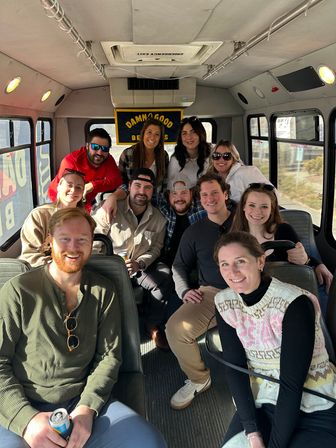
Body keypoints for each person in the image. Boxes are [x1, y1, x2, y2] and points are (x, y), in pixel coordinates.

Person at [0, 208, 167, 448]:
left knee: (150, 443)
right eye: (64, 239)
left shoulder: (103, 291)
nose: (73, 247)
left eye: (82, 240)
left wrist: (86, 408)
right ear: (49, 241)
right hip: (23, 403)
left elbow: (109, 357)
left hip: (82, 400)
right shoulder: (19, 291)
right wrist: (27, 420)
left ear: (91, 244)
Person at [214, 231, 336, 448]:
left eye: (240, 261)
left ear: (260, 261)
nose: (232, 272)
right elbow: (235, 368)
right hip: (262, 401)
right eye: (224, 264)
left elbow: (291, 384)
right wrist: (252, 431)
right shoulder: (224, 302)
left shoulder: (294, 303)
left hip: (314, 402)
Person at [165, 173, 234, 409]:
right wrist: (184, 290)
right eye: (204, 195)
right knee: (175, 329)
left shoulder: (245, 219)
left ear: (225, 194)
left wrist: (312, 261)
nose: (209, 198)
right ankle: (199, 379)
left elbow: (276, 229)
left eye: (214, 192)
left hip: (248, 289)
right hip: (212, 293)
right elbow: (178, 265)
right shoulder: (194, 231)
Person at [93, 168, 173, 350]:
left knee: (163, 277)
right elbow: (94, 241)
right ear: (129, 187)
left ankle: (153, 324)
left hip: (139, 267)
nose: (142, 192)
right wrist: (111, 263)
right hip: (111, 264)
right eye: (137, 186)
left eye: (147, 188)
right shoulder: (109, 209)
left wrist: (139, 263)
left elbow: (156, 248)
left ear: (153, 192)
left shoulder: (159, 219)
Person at [231, 182, 333, 315]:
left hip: (285, 295)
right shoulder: (234, 237)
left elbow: (301, 257)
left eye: (264, 206)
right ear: (243, 206)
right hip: (251, 300)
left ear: (272, 209)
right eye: (251, 205)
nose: (257, 211)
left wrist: (315, 263)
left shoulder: (284, 230)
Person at [20, 168, 85, 267]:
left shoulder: (84, 220)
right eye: (69, 185)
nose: (73, 190)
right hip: (42, 270)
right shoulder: (39, 215)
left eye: (79, 187)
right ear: (59, 186)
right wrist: (58, 268)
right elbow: (30, 255)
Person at [48, 128, 122, 212]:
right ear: (87, 146)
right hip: (59, 199)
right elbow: (66, 192)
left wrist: (93, 185)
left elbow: (117, 181)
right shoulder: (71, 162)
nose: (99, 153)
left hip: (85, 201)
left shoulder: (108, 159)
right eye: (95, 147)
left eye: (105, 149)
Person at [158, 173, 207, 268]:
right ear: (168, 195)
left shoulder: (202, 206)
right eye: (174, 193)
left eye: (183, 193)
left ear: (191, 193)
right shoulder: (164, 207)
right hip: (168, 264)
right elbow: (141, 193)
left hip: (196, 264)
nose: (179, 198)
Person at [208, 140, 274, 203]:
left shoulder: (246, 172)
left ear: (234, 158)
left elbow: (272, 195)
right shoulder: (211, 178)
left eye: (226, 156)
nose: (221, 160)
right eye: (216, 155)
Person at [167, 116, 212, 187]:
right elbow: (171, 187)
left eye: (193, 132)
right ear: (180, 138)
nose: (189, 137)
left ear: (200, 134)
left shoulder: (212, 154)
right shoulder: (175, 160)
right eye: (184, 133)